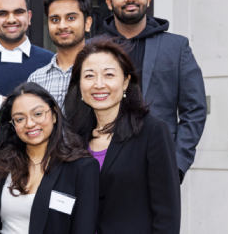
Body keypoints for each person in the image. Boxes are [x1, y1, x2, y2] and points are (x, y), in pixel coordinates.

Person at [98, 0, 206, 182]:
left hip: (159, 164)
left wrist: (177, 163)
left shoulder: (177, 47)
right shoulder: (93, 48)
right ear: (109, 2)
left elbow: (194, 109)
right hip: (102, 164)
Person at [64, 39, 181, 234]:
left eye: (109, 75)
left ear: (126, 81)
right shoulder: (73, 137)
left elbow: (167, 212)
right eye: (89, 76)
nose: (99, 84)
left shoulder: (152, 131)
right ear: (79, 84)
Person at [0, 82, 98, 234]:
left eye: (38, 114)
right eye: (19, 119)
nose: (30, 124)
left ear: (55, 115)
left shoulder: (82, 168)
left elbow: (84, 229)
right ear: (12, 125)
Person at [27, 0, 93, 108]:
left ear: (87, 23)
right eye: (55, 20)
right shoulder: (36, 79)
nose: (62, 26)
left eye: (71, 18)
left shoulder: (101, 73)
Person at [0, 0, 55, 96]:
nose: (11, 20)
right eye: (2, 14)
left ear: (29, 17)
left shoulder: (50, 62)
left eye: (18, 12)